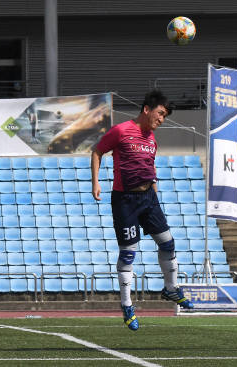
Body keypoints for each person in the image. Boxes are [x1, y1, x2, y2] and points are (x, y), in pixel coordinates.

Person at [91, 90, 194, 331]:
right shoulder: (121, 130)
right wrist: (95, 182)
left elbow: (149, 168)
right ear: (147, 109)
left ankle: (170, 289)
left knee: (168, 243)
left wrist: (154, 195)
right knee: (128, 254)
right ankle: (127, 306)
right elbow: (97, 151)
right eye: (160, 114)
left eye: (165, 116)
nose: (162, 119)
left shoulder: (151, 140)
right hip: (125, 199)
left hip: (149, 198)